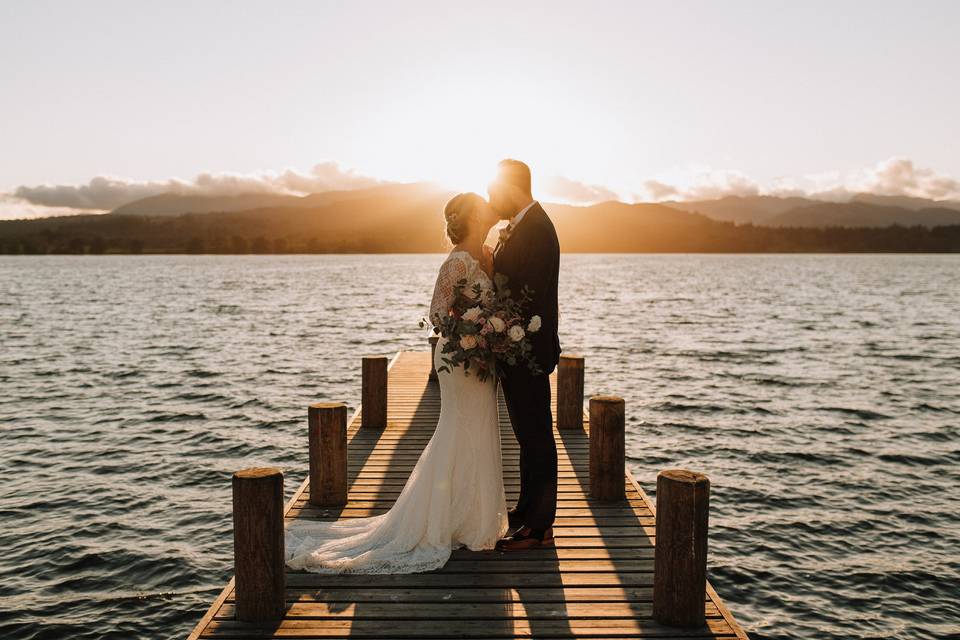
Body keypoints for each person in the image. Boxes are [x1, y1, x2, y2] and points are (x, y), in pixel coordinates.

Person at [284, 192, 509, 573]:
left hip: (484, 360)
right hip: (460, 357)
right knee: (458, 428)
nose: (491, 210)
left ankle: (473, 519)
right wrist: (474, 331)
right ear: (471, 217)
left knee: (483, 428)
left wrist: (494, 333)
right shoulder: (456, 262)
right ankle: (438, 521)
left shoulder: (488, 255)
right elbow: (438, 313)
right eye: (483, 207)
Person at [488, 159, 562, 551]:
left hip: (528, 348)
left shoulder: (537, 228)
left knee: (537, 436)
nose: (490, 197)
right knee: (525, 434)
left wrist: (491, 318)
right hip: (515, 347)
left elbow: (525, 295)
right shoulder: (521, 226)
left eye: (493, 190)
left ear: (511, 188)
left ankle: (540, 526)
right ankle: (525, 508)